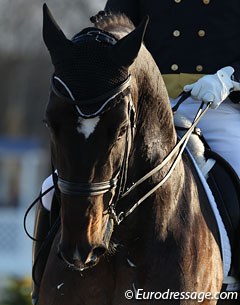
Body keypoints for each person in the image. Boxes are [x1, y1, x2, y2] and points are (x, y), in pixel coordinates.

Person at [31, 1, 240, 303]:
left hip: (218, 105)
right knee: (51, 189)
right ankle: (41, 289)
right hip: (144, 107)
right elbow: (112, 27)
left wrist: (229, 79)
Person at [105, 0, 240, 177]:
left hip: (215, 109)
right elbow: (112, 34)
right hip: (144, 106)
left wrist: (228, 79)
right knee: (63, 185)